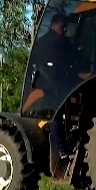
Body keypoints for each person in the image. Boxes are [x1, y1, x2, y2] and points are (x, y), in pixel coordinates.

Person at [31, 13, 77, 163]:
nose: (64, 29)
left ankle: (67, 146)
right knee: (57, 116)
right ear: (53, 25)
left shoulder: (60, 42)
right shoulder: (47, 43)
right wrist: (54, 85)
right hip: (49, 87)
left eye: (65, 27)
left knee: (61, 116)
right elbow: (43, 67)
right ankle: (63, 151)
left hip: (59, 85)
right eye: (62, 26)